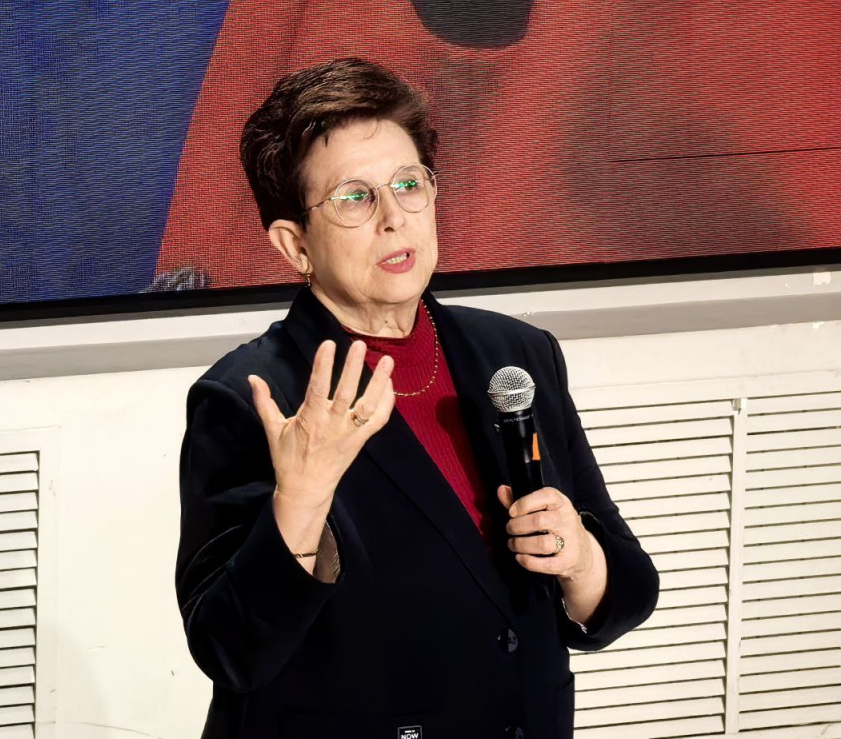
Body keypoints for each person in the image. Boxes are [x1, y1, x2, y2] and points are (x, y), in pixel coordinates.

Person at [175, 57, 659, 739]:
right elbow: (231, 651)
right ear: (294, 244)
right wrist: (301, 501)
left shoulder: (516, 354)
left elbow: (629, 591)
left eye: (408, 184)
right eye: (353, 198)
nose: (394, 219)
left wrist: (579, 556)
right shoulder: (252, 397)